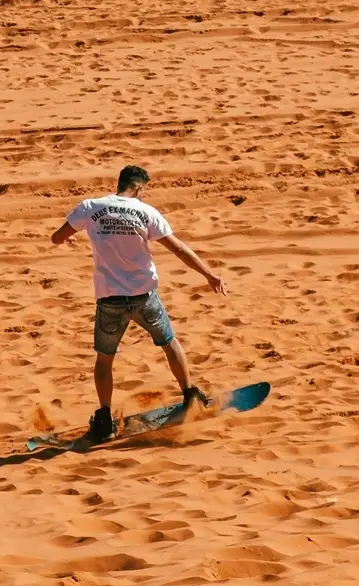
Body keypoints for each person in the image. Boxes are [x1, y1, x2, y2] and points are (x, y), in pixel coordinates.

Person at [50, 163, 228, 441]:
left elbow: (57, 238)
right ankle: (190, 393)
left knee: (105, 359)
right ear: (139, 188)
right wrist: (209, 274)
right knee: (170, 343)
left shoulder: (90, 207)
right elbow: (179, 248)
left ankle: (105, 417)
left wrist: (74, 238)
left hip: (110, 298)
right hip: (144, 296)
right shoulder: (146, 212)